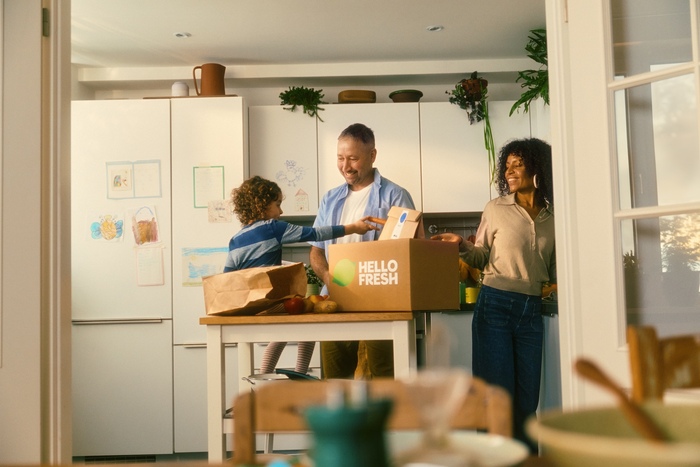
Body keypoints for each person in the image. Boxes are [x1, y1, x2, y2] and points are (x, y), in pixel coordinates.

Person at [432, 137, 555, 453]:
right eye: (507, 166)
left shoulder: (554, 216)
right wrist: (462, 246)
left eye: (518, 164)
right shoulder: (496, 208)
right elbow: (479, 257)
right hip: (495, 307)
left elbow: (555, 270)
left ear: (538, 167)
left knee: (527, 404)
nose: (510, 171)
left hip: (531, 312)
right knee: (494, 401)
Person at [224, 175, 378, 374]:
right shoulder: (273, 228)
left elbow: (227, 277)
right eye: (277, 204)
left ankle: (261, 377)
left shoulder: (235, 239)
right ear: (261, 204)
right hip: (270, 302)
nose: (280, 211)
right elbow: (316, 234)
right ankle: (300, 374)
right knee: (309, 317)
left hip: (248, 306)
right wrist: (353, 228)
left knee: (280, 335)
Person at [309, 123, 416, 379]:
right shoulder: (330, 199)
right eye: (340, 158)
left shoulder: (395, 195)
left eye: (353, 159)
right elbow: (316, 251)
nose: (345, 166)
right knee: (336, 383)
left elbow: (408, 253)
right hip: (334, 300)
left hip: (380, 305)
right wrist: (329, 280)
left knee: (383, 379)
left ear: (372, 156)